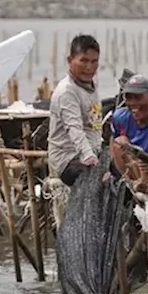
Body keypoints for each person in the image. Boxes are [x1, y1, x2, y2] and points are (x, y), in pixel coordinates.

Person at [47, 34, 103, 187]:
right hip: (68, 159)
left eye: (94, 61)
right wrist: (89, 157)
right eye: (83, 61)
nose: (89, 67)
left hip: (93, 149)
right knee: (97, 180)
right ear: (70, 60)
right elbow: (75, 130)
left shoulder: (90, 84)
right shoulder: (67, 91)